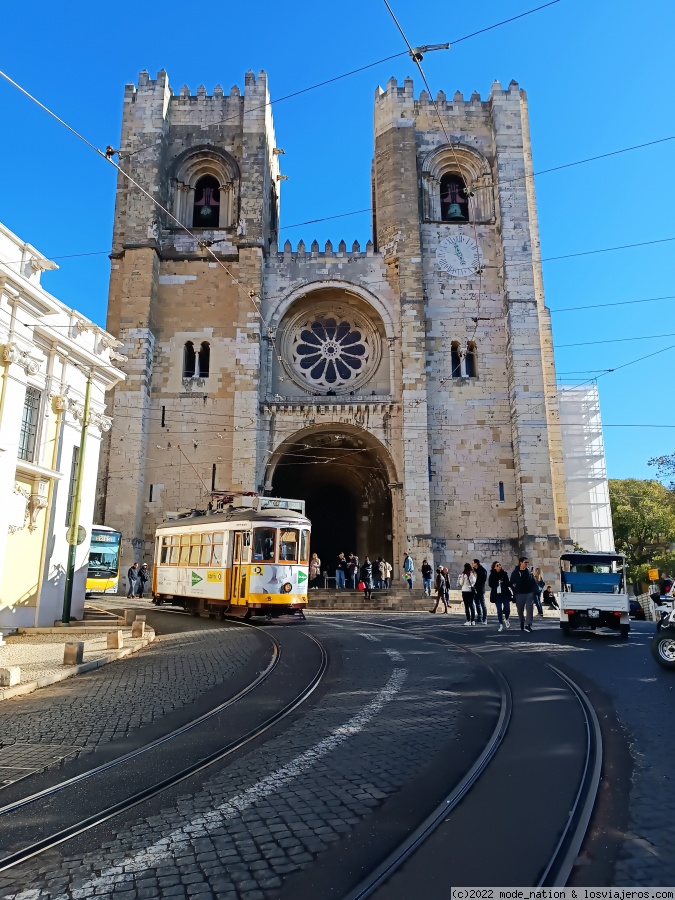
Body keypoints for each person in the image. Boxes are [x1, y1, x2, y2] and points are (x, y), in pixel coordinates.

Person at [510, 557, 539, 632]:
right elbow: (511, 582)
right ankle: (522, 620)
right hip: (519, 593)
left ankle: (528, 624)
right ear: (521, 563)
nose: (527, 564)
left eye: (527, 562)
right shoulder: (515, 572)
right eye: (525, 562)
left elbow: (533, 581)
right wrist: (514, 588)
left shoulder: (529, 572)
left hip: (529, 593)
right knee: (520, 610)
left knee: (529, 608)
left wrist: (535, 590)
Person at [488, 562, 511, 632]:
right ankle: (501, 624)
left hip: (504, 593)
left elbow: (508, 583)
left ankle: (506, 618)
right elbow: (490, 584)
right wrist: (497, 583)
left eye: (500, 565)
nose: (499, 566)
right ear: (494, 567)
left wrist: (503, 582)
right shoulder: (492, 575)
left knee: (507, 608)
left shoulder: (504, 574)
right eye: (497, 565)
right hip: (496, 595)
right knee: (499, 609)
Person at [472, 559, 488, 625]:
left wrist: (476, 585)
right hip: (475, 589)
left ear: (476, 563)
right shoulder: (473, 570)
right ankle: (479, 617)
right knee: (477, 604)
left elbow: (482, 580)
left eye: (473, 563)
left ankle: (485, 618)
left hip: (480, 589)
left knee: (482, 604)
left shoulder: (482, 570)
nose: (472, 564)